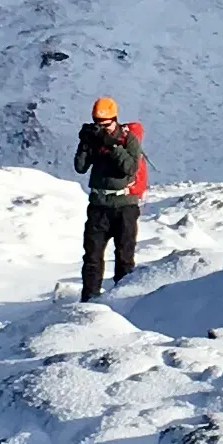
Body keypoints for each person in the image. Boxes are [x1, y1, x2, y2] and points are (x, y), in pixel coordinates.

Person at [74, 97, 147, 299]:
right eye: (98, 124)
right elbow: (80, 168)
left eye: (105, 124)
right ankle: (89, 300)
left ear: (114, 119)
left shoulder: (128, 139)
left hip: (125, 207)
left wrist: (113, 147)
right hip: (98, 206)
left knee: (124, 257)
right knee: (92, 257)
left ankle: (122, 300)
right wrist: (85, 144)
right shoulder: (93, 139)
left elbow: (130, 168)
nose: (102, 128)